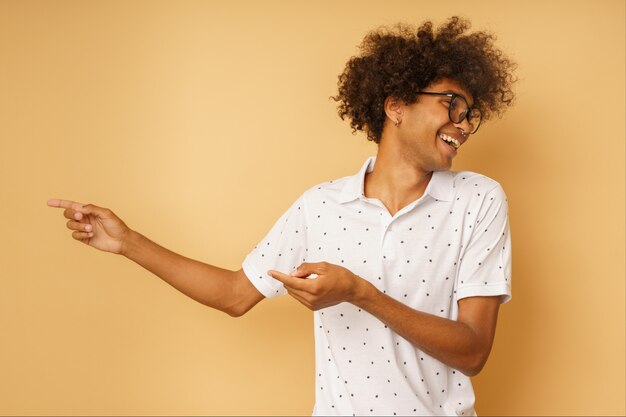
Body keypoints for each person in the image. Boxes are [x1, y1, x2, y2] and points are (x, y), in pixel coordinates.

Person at [48, 16, 516, 416]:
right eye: (451, 104)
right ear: (395, 105)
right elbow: (235, 294)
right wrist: (128, 241)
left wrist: (358, 292)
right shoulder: (321, 206)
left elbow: (473, 350)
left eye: (471, 114)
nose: (463, 123)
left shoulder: (477, 200)